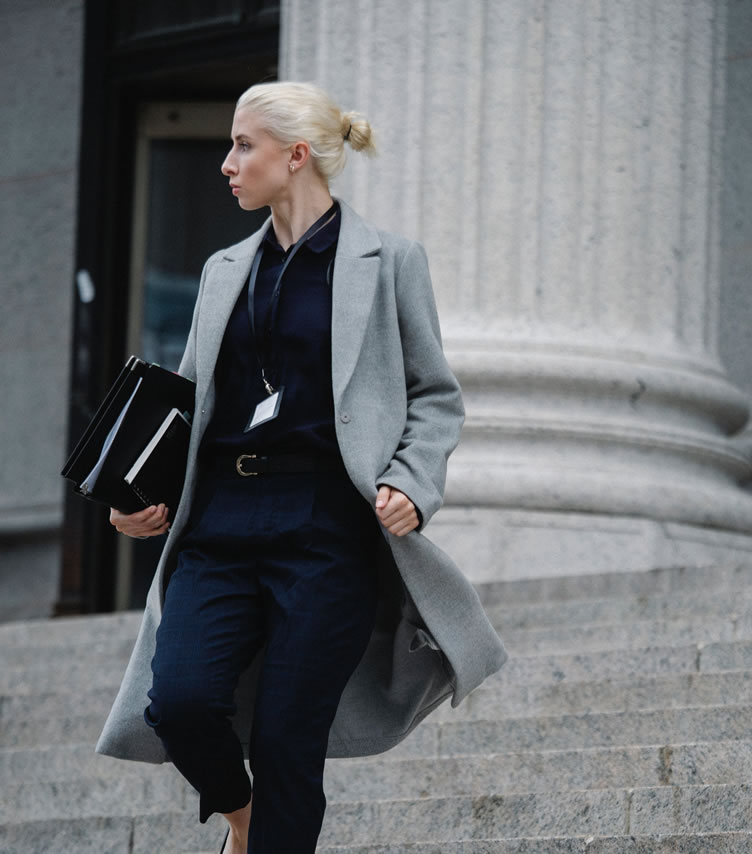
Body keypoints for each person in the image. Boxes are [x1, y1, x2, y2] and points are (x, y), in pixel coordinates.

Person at [98, 81, 507, 854]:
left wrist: (412, 485)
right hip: (219, 522)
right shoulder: (223, 270)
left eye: (242, 145)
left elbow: (435, 397)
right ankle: (244, 820)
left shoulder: (390, 262)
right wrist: (134, 497)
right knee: (181, 700)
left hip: (327, 532)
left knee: (290, 742)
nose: (226, 163)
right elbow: (187, 404)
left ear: (295, 156)